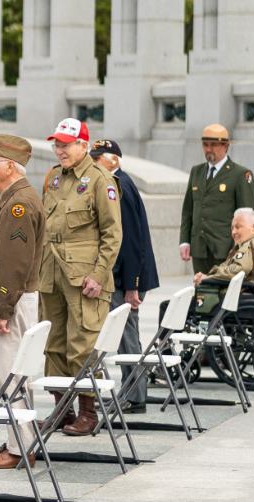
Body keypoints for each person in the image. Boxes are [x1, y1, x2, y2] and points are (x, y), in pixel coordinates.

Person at [39, 118, 122, 436]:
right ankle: (62, 409)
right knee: (54, 344)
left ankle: (88, 411)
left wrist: (99, 275)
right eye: (56, 144)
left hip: (84, 276)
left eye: (66, 144)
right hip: (52, 273)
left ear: (83, 145)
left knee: (83, 343)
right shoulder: (54, 178)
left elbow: (112, 234)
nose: (60, 149)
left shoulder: (101, 180)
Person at [0, 135, 46, 470]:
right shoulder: (12, 199)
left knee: (10, 376)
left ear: (10, 166)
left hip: (9, 302)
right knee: (15, 374)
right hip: (12, 300)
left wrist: (3, 309)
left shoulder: (18, 204)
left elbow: (14, 263)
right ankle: (21, 441)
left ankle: (19, 448)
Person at [90, 139, 160, 414]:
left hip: (129, 278)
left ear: (114, 161)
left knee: (127, 337)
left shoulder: (121, 186)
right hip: (124, 276)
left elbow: (131, 241)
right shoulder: (114, 184)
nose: (94, 164)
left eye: (99, 159)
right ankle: (130, 392)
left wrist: (132, 287)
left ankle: (135, 396)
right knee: (124, 336)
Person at [180, 123, 254, 275]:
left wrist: (239, 250)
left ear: (226, 146)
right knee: (201, 293)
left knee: (222, 295)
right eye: (205, 145)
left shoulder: (240, 174)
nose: (208, 149)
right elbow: (188, 210)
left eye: (214, 145)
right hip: (199, 248)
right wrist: (185, 241)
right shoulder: (197, 171)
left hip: (225, 250)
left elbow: (246, 218)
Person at [193, 207, 254, 286]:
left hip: (239, 293)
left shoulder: (253, 245)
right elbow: (228, 267)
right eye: (232, 228)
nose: (233, 232)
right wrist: (209, 276)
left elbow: (239, 271)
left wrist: (208, 278)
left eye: (238, 227)